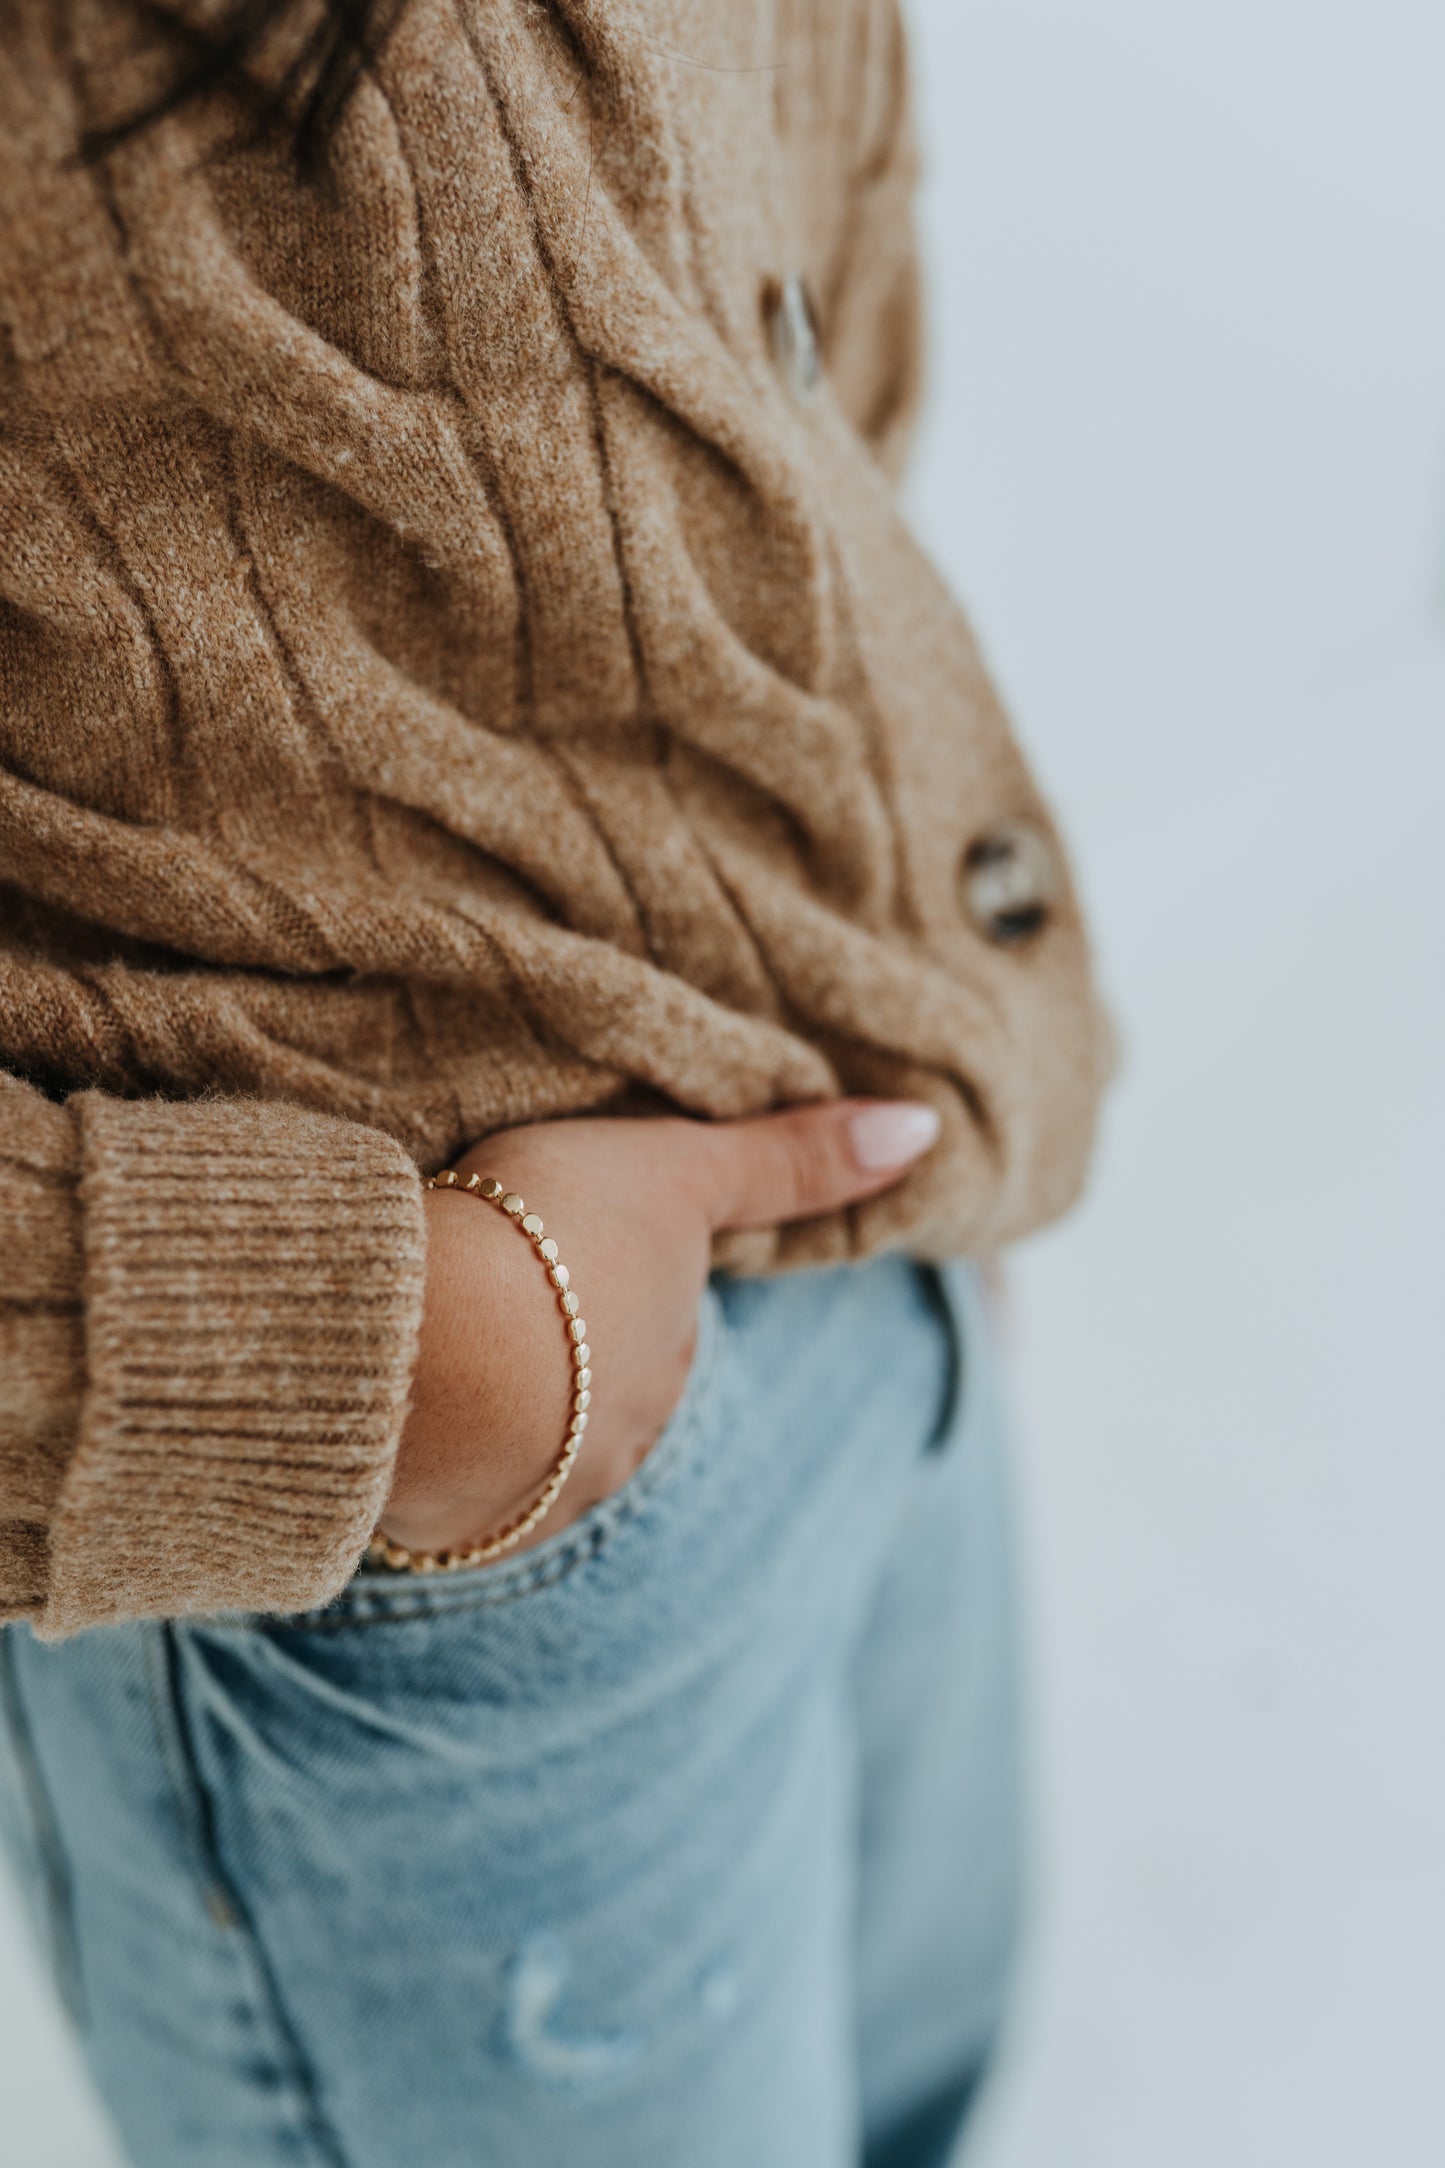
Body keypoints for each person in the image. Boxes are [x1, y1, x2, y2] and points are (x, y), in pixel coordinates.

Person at [0, 0, 1108, 2161]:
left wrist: (906, 991)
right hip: (393, 1530)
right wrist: (416, 1356)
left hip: (848, 1223)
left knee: (925, 2092)